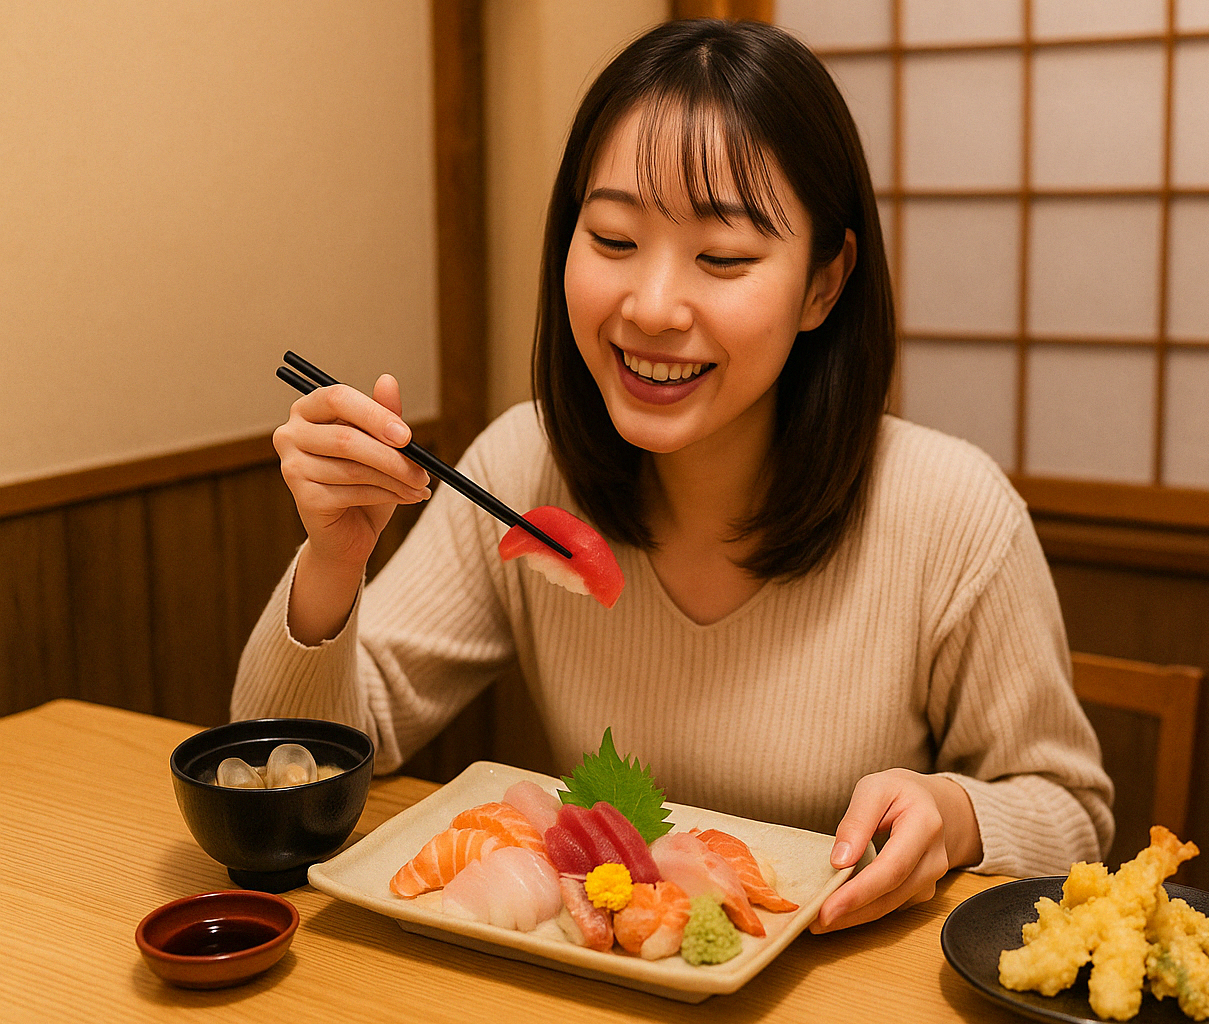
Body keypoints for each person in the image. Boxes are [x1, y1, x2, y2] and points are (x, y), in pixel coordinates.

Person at [233, 18, 1112, 933]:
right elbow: (282, 767)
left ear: (824, 282)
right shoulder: (522, 465)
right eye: (613, 239)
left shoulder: (951, 511)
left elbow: (1073, 815)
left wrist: (959, 815)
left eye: (723, 259)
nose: (651, 308)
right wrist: (332, 559)